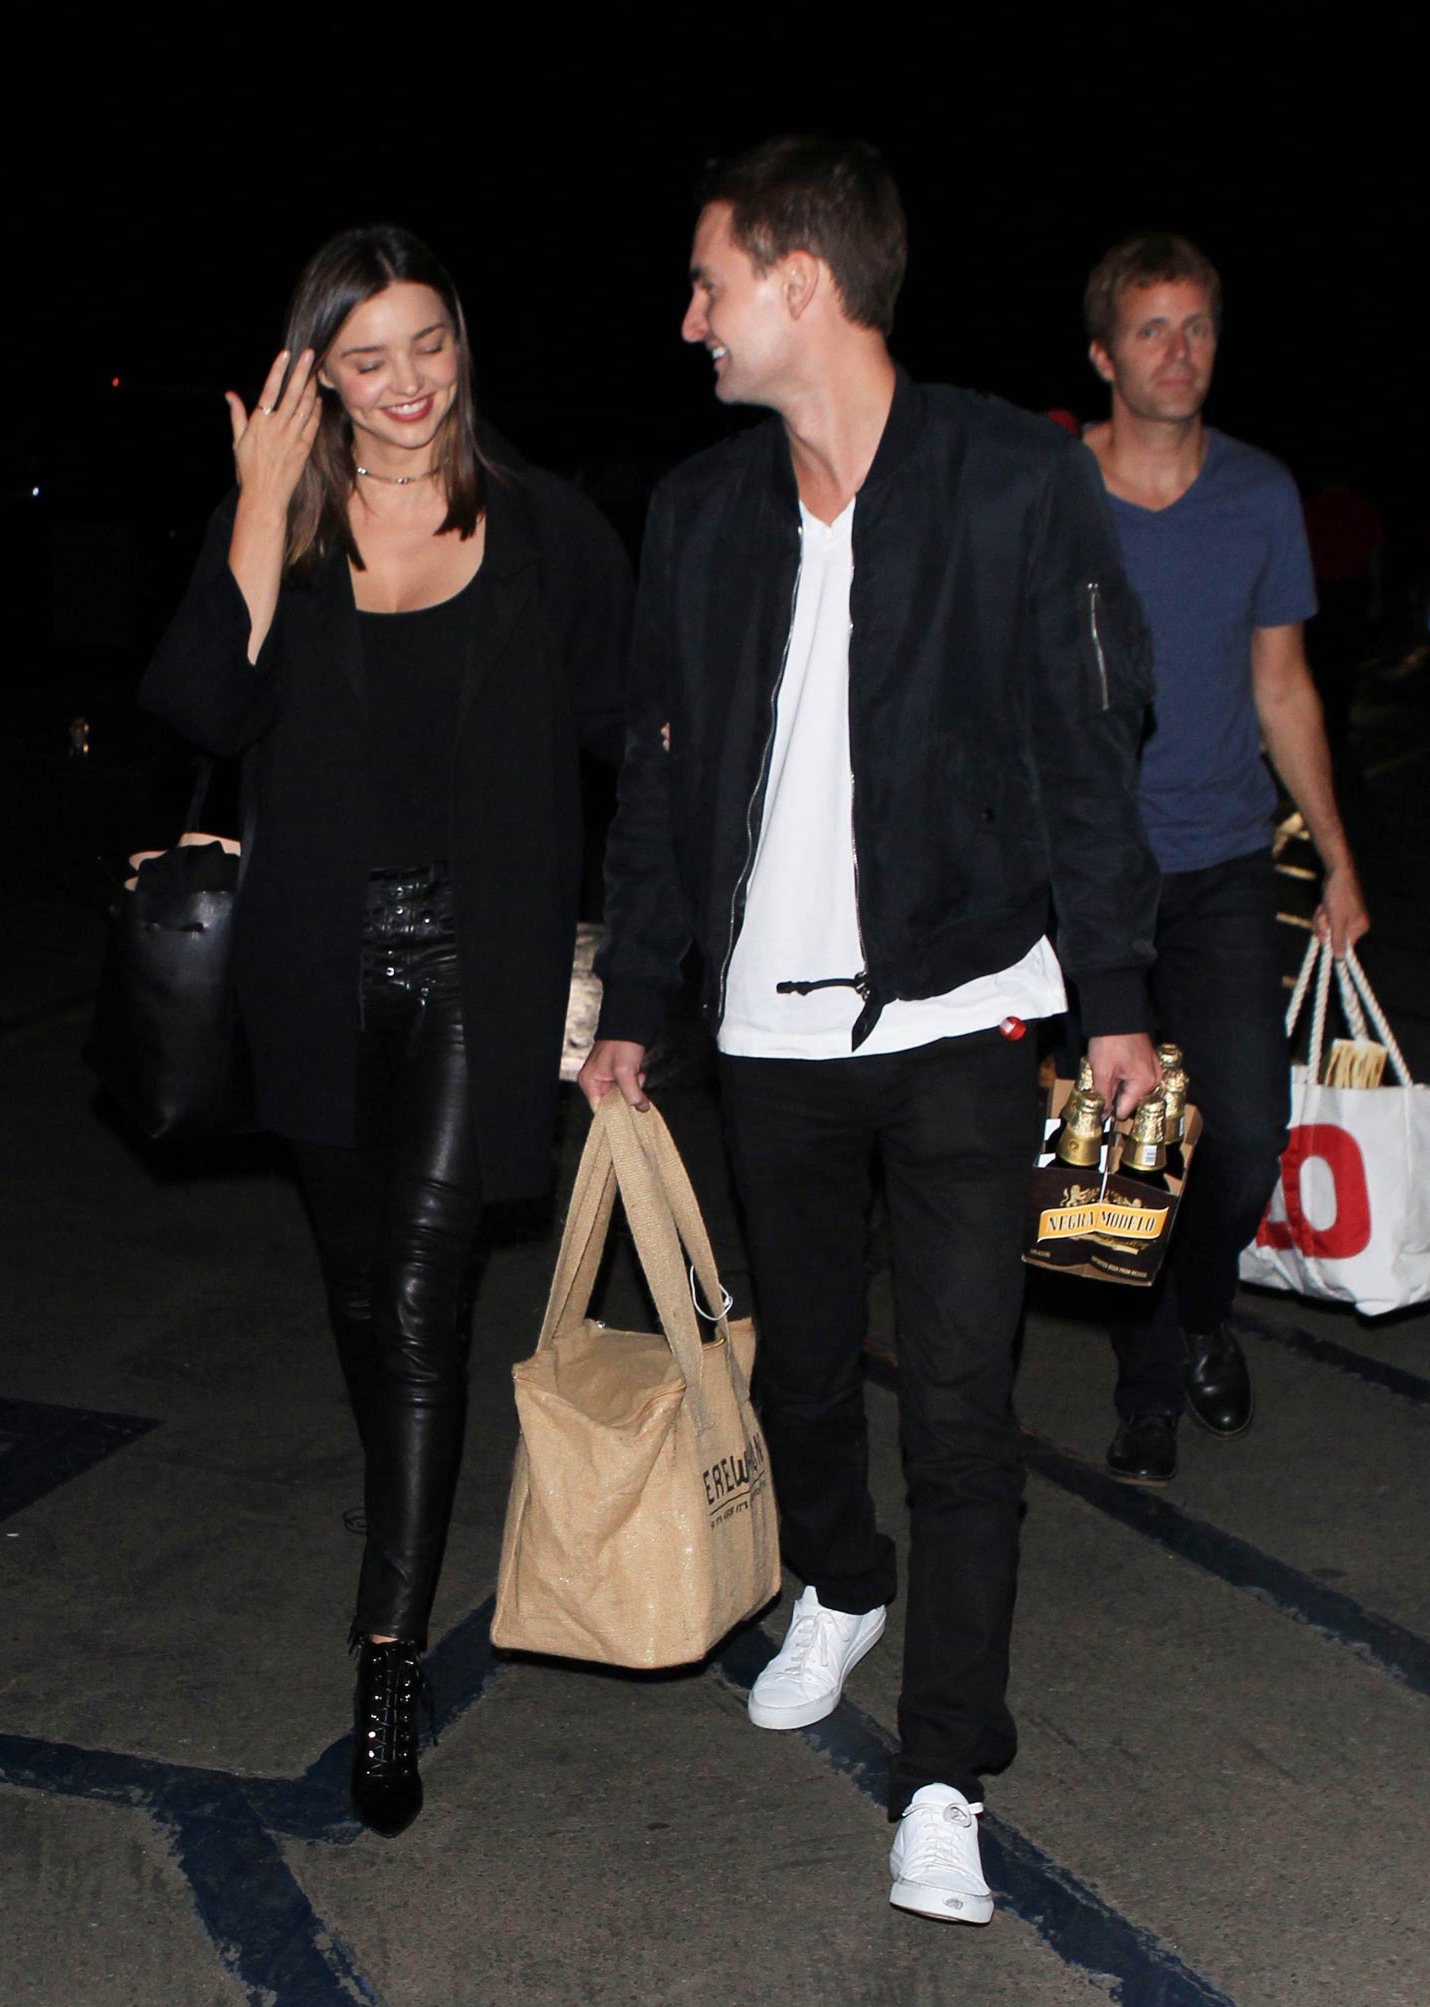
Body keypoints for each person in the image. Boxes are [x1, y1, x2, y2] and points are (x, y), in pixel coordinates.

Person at [578, 137, 1159, 1927]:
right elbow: (663, 781)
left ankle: (944, 1770)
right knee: (808, 1370)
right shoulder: (701, 512)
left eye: (710, 285)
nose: (690, 321)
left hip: (969, 1008)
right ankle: (839, 1576)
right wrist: (640, 1002)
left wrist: (1118, 1000)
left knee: (967, 1406)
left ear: (803, 285)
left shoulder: (1008, 481)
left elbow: (1088, 745)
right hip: (766, 1036)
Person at [142, 226, 630, 1836]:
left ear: (461, 348)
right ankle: (402, 1551)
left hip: (474, 983)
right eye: (368, 358)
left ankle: (384, 1664)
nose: (409, 383)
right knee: (363, 1306)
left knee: (418, 1312)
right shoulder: (269, 528)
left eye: (429, 344)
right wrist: (260, 514)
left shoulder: (549, 530)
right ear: (316, 379)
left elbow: (642, 740)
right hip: (310, 978)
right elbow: (203, 709)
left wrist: (630, 969)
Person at [1080, 234, 1370, 1486]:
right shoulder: (1054, 491)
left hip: (1221, 859)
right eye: (1150, 329)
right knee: (1119, 1138)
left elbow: (1284, 686)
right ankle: (1147, 1389)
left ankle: (1201, 1313)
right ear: (1102, 355)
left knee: (1244, 1133)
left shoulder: (1257, 492)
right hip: (1088, 872)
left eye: (1195, 326)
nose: (1178, 349)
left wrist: (1341, 864)